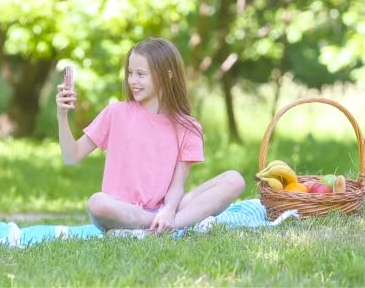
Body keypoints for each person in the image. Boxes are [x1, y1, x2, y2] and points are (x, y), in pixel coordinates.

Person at [55, 37, 245, 234]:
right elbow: (71, 156)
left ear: (166, 75)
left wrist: (168, 211)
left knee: (234, 179)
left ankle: (161, 226)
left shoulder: (188, 127)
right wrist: (62, 115)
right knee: (97, 202)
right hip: (121, 211)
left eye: (140, 74)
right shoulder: (116, 113)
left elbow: (177, 186)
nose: (132, 81)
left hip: (166, 208)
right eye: (130, 73)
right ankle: (166, 226)